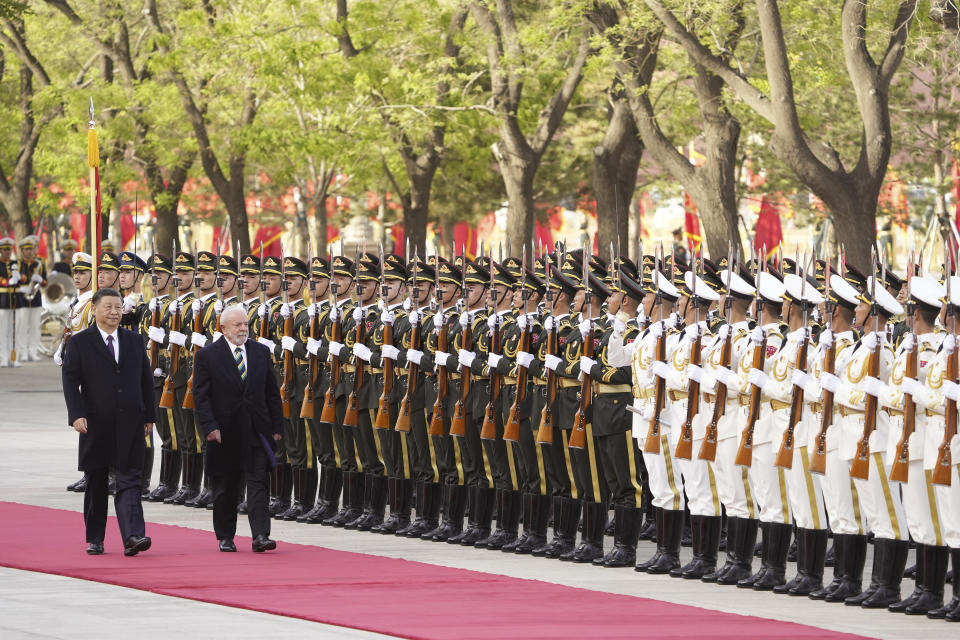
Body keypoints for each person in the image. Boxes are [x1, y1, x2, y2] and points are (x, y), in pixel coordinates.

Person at [60, 287, 155, 555]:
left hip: (131, 422)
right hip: (95, 423)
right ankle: (95, 537)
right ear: (95, 309)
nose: (114, 312)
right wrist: (76, 414)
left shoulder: (135, 341)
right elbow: (70, 381)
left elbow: (145, 380)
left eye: (118, 307)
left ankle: (134, 536)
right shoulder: (80, 342)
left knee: (130, 479)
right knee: (97, 480)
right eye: (108, 307)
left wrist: (149, 415)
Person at [193, 304, 283, 552]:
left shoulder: (261, 352)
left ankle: (260, 536)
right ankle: (225, 536)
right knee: (226, 487)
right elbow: (201, 397)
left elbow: (271, 393)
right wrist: (210, 426)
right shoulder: (207, 356)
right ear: (223, 328)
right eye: (238, 325)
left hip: (256, 430)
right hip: (224, 432)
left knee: (258, 484)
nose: (243, 329)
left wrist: (276, 425)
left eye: (245, 324)